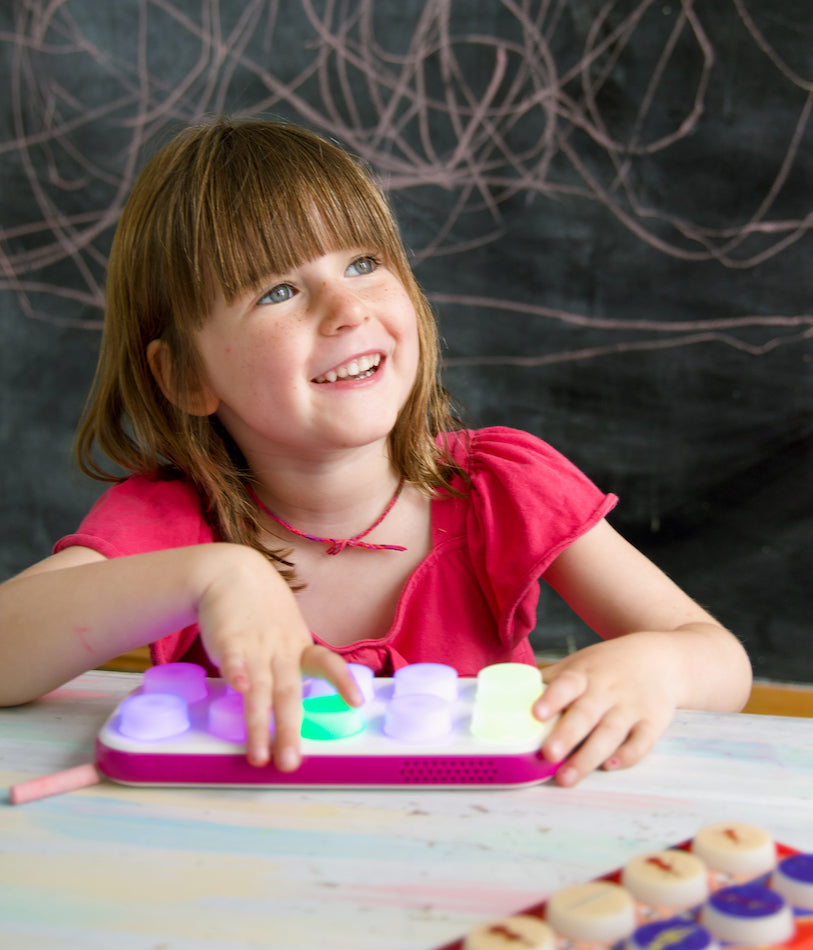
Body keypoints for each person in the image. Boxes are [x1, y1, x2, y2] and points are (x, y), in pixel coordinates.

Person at [0, 118, 751, 786]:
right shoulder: (175, 524)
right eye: (277, 292)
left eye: (362, 264)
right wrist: (212, 575)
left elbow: (720, 659)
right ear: (187, 376)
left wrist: (659, 664)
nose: (348, 309)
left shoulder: (499, 487)